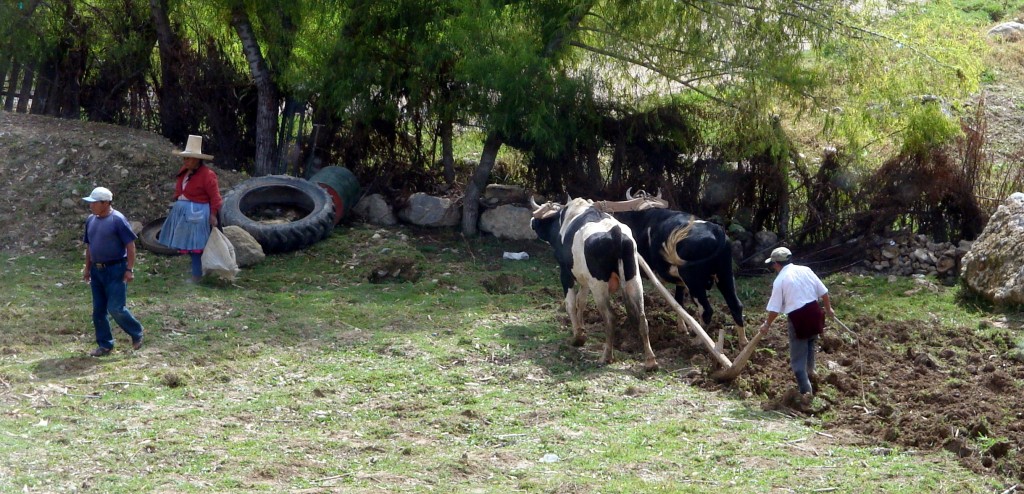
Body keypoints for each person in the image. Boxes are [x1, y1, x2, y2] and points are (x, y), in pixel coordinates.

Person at [757, 247, 834, 401]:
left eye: (773, 265)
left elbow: (774, 309)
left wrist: (767, 324)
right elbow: (824, 292)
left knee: (797, 361)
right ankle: (812, 376)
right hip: (816, 314)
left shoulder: (780, 280)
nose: (773, 267)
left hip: (800, 319)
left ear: (776, 264)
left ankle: (807, 394)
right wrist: (829, 309)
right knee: (810, 347)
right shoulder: (805, 270)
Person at [81, 186, 144, 357]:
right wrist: (87, 268)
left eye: (94, 203)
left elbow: (130, 246)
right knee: (98, 310)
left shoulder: (117, 220)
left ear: (106, 203)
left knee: (116, 308)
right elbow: (90, 246)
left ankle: (136, 332)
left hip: (116, 269)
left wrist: (129, 269)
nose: (91, 206)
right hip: (97, 270)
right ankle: (105, 344)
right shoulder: (91, 220)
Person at [158, 135, 222, 283]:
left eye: (189, 158)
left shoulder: (208, 175)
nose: (186, 161)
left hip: (198, 214)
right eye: (185, 158)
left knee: (196, 247)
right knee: (189, 245)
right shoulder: (184, 172)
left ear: (197, 160)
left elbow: (215, 197)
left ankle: (196, 275)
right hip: (185, 213)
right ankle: (196, 270)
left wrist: (213, 215)